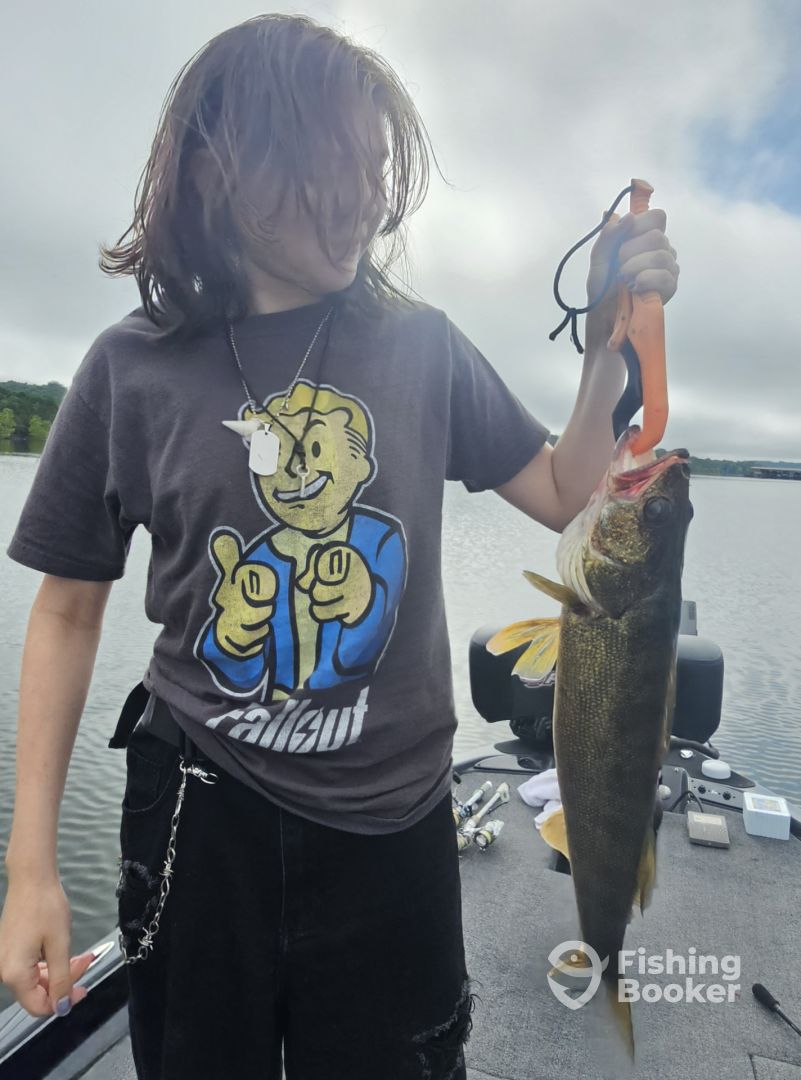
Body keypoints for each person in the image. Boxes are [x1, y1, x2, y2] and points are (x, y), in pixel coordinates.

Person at [0, 13, 679, 1080]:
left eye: (376, 169)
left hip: (394, 831)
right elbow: (68, 610)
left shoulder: (422, 346)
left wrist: (603, 352)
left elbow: (566, 495)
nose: (365, 197)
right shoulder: (130, 369)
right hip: (198, 815)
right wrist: (31, 865)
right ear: (222, 169)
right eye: (335, 165)